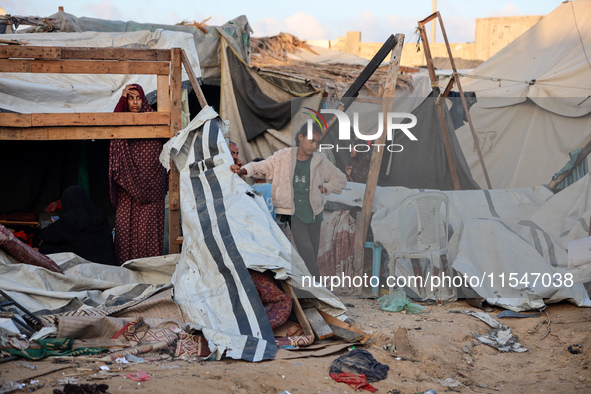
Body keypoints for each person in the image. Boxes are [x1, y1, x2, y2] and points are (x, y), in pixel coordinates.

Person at [231, 123, 347, 278]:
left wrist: (326, 188)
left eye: (317, 142)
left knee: (311, 252)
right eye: (311, 140)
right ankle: (318, 286)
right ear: (300, 137)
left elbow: (340, 179)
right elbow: (262, 166)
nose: (314, 145)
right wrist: (244, 170)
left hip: (314, 213)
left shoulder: (320, 161)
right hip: (294, 212)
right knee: (305, 249)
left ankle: (311, 289)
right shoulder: (283, 157)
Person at [109, 84, 168, 264]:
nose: (135, 102)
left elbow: (167, 144)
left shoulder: (154, 120)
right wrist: (120, 98)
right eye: (130, 98)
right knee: (126, 230)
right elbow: (112, 123)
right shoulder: (121, 120)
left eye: (138, 98)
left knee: (148, 233)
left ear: (144, 100)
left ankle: (150, 270)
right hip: (127, 187)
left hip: (153, 190)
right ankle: (127, 270)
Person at [39, 185, 117, 265]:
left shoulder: (69, 218)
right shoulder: (100, 216)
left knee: (45, 247)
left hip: (83, 258)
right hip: (106, 260)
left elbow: (46, 235)